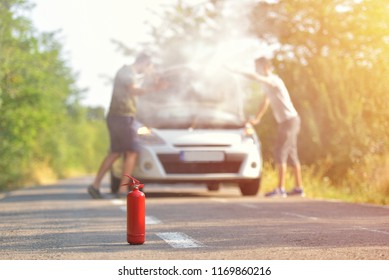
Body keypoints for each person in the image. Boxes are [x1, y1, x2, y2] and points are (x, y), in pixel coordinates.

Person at [88, 52, 159, 199]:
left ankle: (95, 185)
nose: (149, 70)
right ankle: (122, 191)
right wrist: (154, 89)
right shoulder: (128, 72)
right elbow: (132, 90)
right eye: (149, 67)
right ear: (145, 62)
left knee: (115, 152)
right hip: (123, 117)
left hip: (117, 117)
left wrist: (149, 79)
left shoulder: (127, 72)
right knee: (132, 152)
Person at [231, 57, 304, 197]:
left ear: (265, 67)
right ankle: (298, 188)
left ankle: (280, 189)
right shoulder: (267, 85)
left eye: (257, 67)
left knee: (280, 152)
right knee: (291, 154)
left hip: (289, 121)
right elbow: (265, 102)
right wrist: (257, 118)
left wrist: (238, 71)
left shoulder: (273, 80)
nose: (255, 70)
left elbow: (257, 77)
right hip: (289, 121)